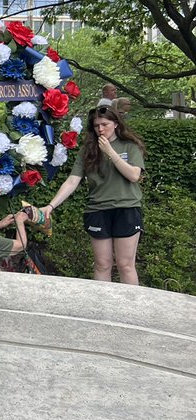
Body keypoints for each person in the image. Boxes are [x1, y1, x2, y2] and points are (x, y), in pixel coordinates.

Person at [41, 105, 145, 285]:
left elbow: (134, 175)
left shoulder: (130, 146)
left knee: (125, 264)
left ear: (116, 124)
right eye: (97, 126)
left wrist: (110, 152)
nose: (101, 129)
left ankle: (132, 310)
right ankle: (103, 309)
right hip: (97, 210)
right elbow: (72, 181)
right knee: (102, 264)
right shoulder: (87, 151)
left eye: (105, 124)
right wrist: (50, 206)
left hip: (127, 208)